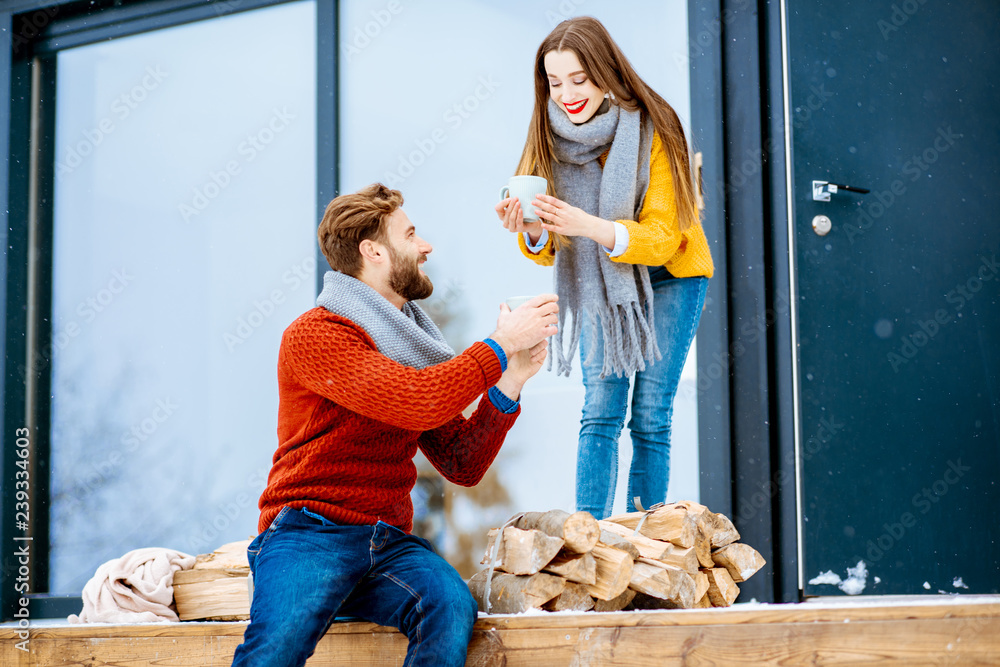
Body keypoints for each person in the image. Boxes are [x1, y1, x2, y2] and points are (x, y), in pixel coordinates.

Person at [232, 183, 558, 667]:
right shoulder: (317, 334)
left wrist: (510, 382)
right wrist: (500, 344)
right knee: (273, 653)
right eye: (411, 235)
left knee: (448, 605)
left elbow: (461, 462)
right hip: (309, 534)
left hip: (386, 544)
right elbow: (416, 401)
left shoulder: (412, 344)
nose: (426, 246)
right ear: (374, 251)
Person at [496, 16, 714, 520]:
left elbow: (662, 239)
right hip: (600, 287)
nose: (567, 94)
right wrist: (530, 229)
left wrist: (586, 225)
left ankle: (648, 537)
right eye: (555, 82)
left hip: (671, 275)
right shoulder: (546, 138)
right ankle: (587, 535)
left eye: (579, 79)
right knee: (600, 408)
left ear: (605, 73)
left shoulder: (655, 127)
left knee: (651, 415)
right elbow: (550, 248)